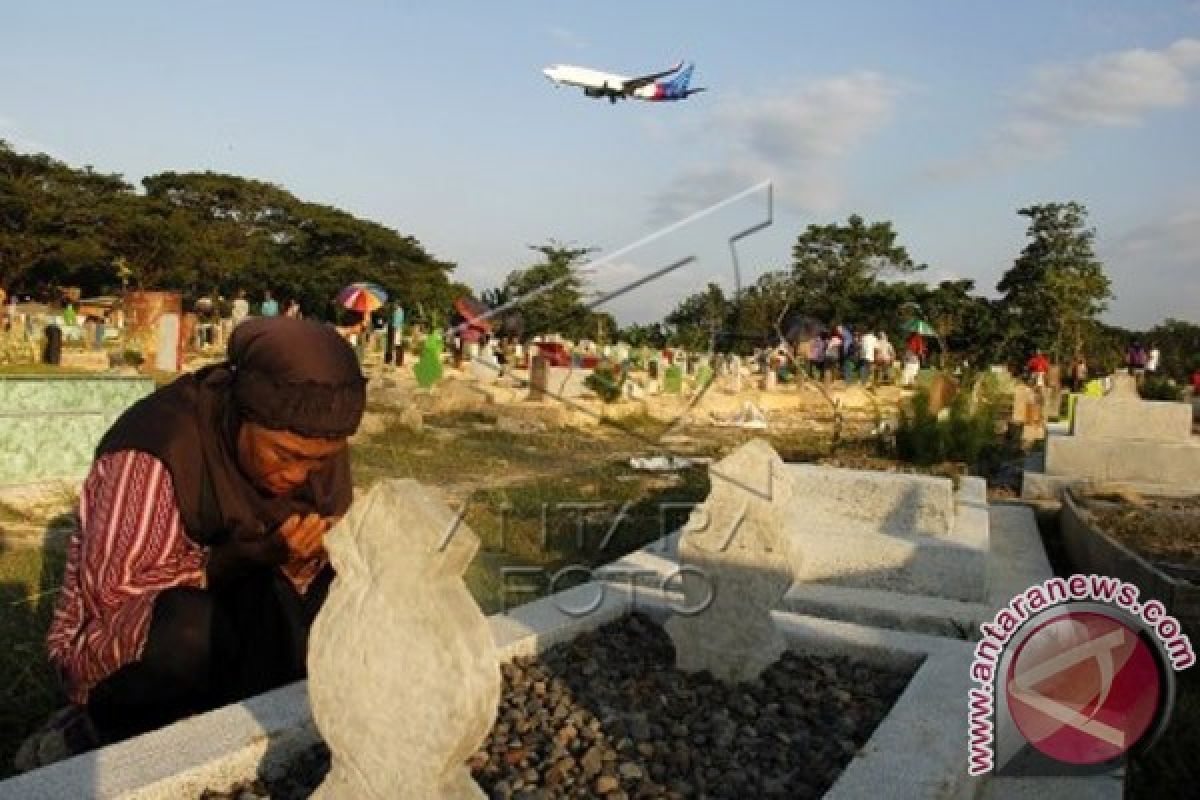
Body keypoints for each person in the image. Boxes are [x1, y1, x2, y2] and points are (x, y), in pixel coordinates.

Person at [20, 318, 366, 769]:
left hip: (248, 618)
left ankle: (234, 746)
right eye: (285, 456)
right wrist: (239, 559)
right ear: (244, 416)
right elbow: (116, 593)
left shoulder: (319, 452)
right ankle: (86, 735)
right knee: (191, 627)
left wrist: (315, 561)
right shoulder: (157, 445)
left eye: (319, 460)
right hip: (131, 639)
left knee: (338, 606)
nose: (300, 475)